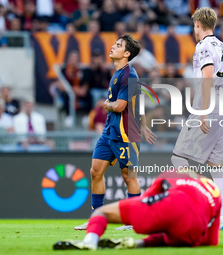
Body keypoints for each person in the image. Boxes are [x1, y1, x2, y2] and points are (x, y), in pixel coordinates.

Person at [74, 34, 156, 231]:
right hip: (110, 131)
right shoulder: (118, 73)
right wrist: (143, 124)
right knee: (95, 172)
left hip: (126, 134)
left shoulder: (129, 75)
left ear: (127, 53)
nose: (112, 47)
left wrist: (106, 104)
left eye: (118, 45)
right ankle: (96, 219)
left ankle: (135, 220)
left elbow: (119, 106)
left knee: (129, 177)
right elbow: (138, 102)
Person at [171, 7, 223, 230]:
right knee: (217, 166)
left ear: (197, 24)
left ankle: (200, 205)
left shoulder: (203, 45)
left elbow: (207, 77)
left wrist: (204, 112)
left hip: (208, 107)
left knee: (178, 158)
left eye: (194, 25)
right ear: (214, 26)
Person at [54, 170, 221, 250]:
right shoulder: (214, 189)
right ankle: (138, 244)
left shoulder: (172, 174)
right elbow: (211, 241)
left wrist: (134, 215)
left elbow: (145, 199)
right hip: (192, 229)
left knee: (101, 212)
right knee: (170, 236)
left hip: (172, 204)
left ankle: (89, 242)